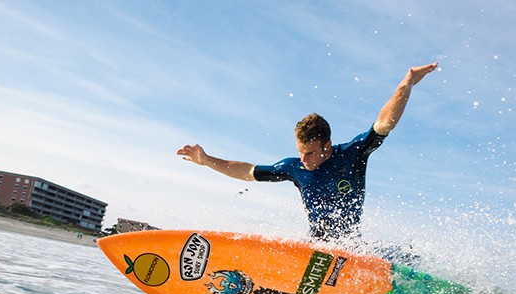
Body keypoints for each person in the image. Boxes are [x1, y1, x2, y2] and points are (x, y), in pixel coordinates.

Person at [177, 62, 438, 248]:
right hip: (315, 248)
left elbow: (384, 123)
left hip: (351, 249)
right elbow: (247, 171)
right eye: (301, 153)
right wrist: (207, 161)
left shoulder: (351, 155)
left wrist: (407, 84)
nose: (305, 160)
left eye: (311, 154)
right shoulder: (295, 169)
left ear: (327, 145)